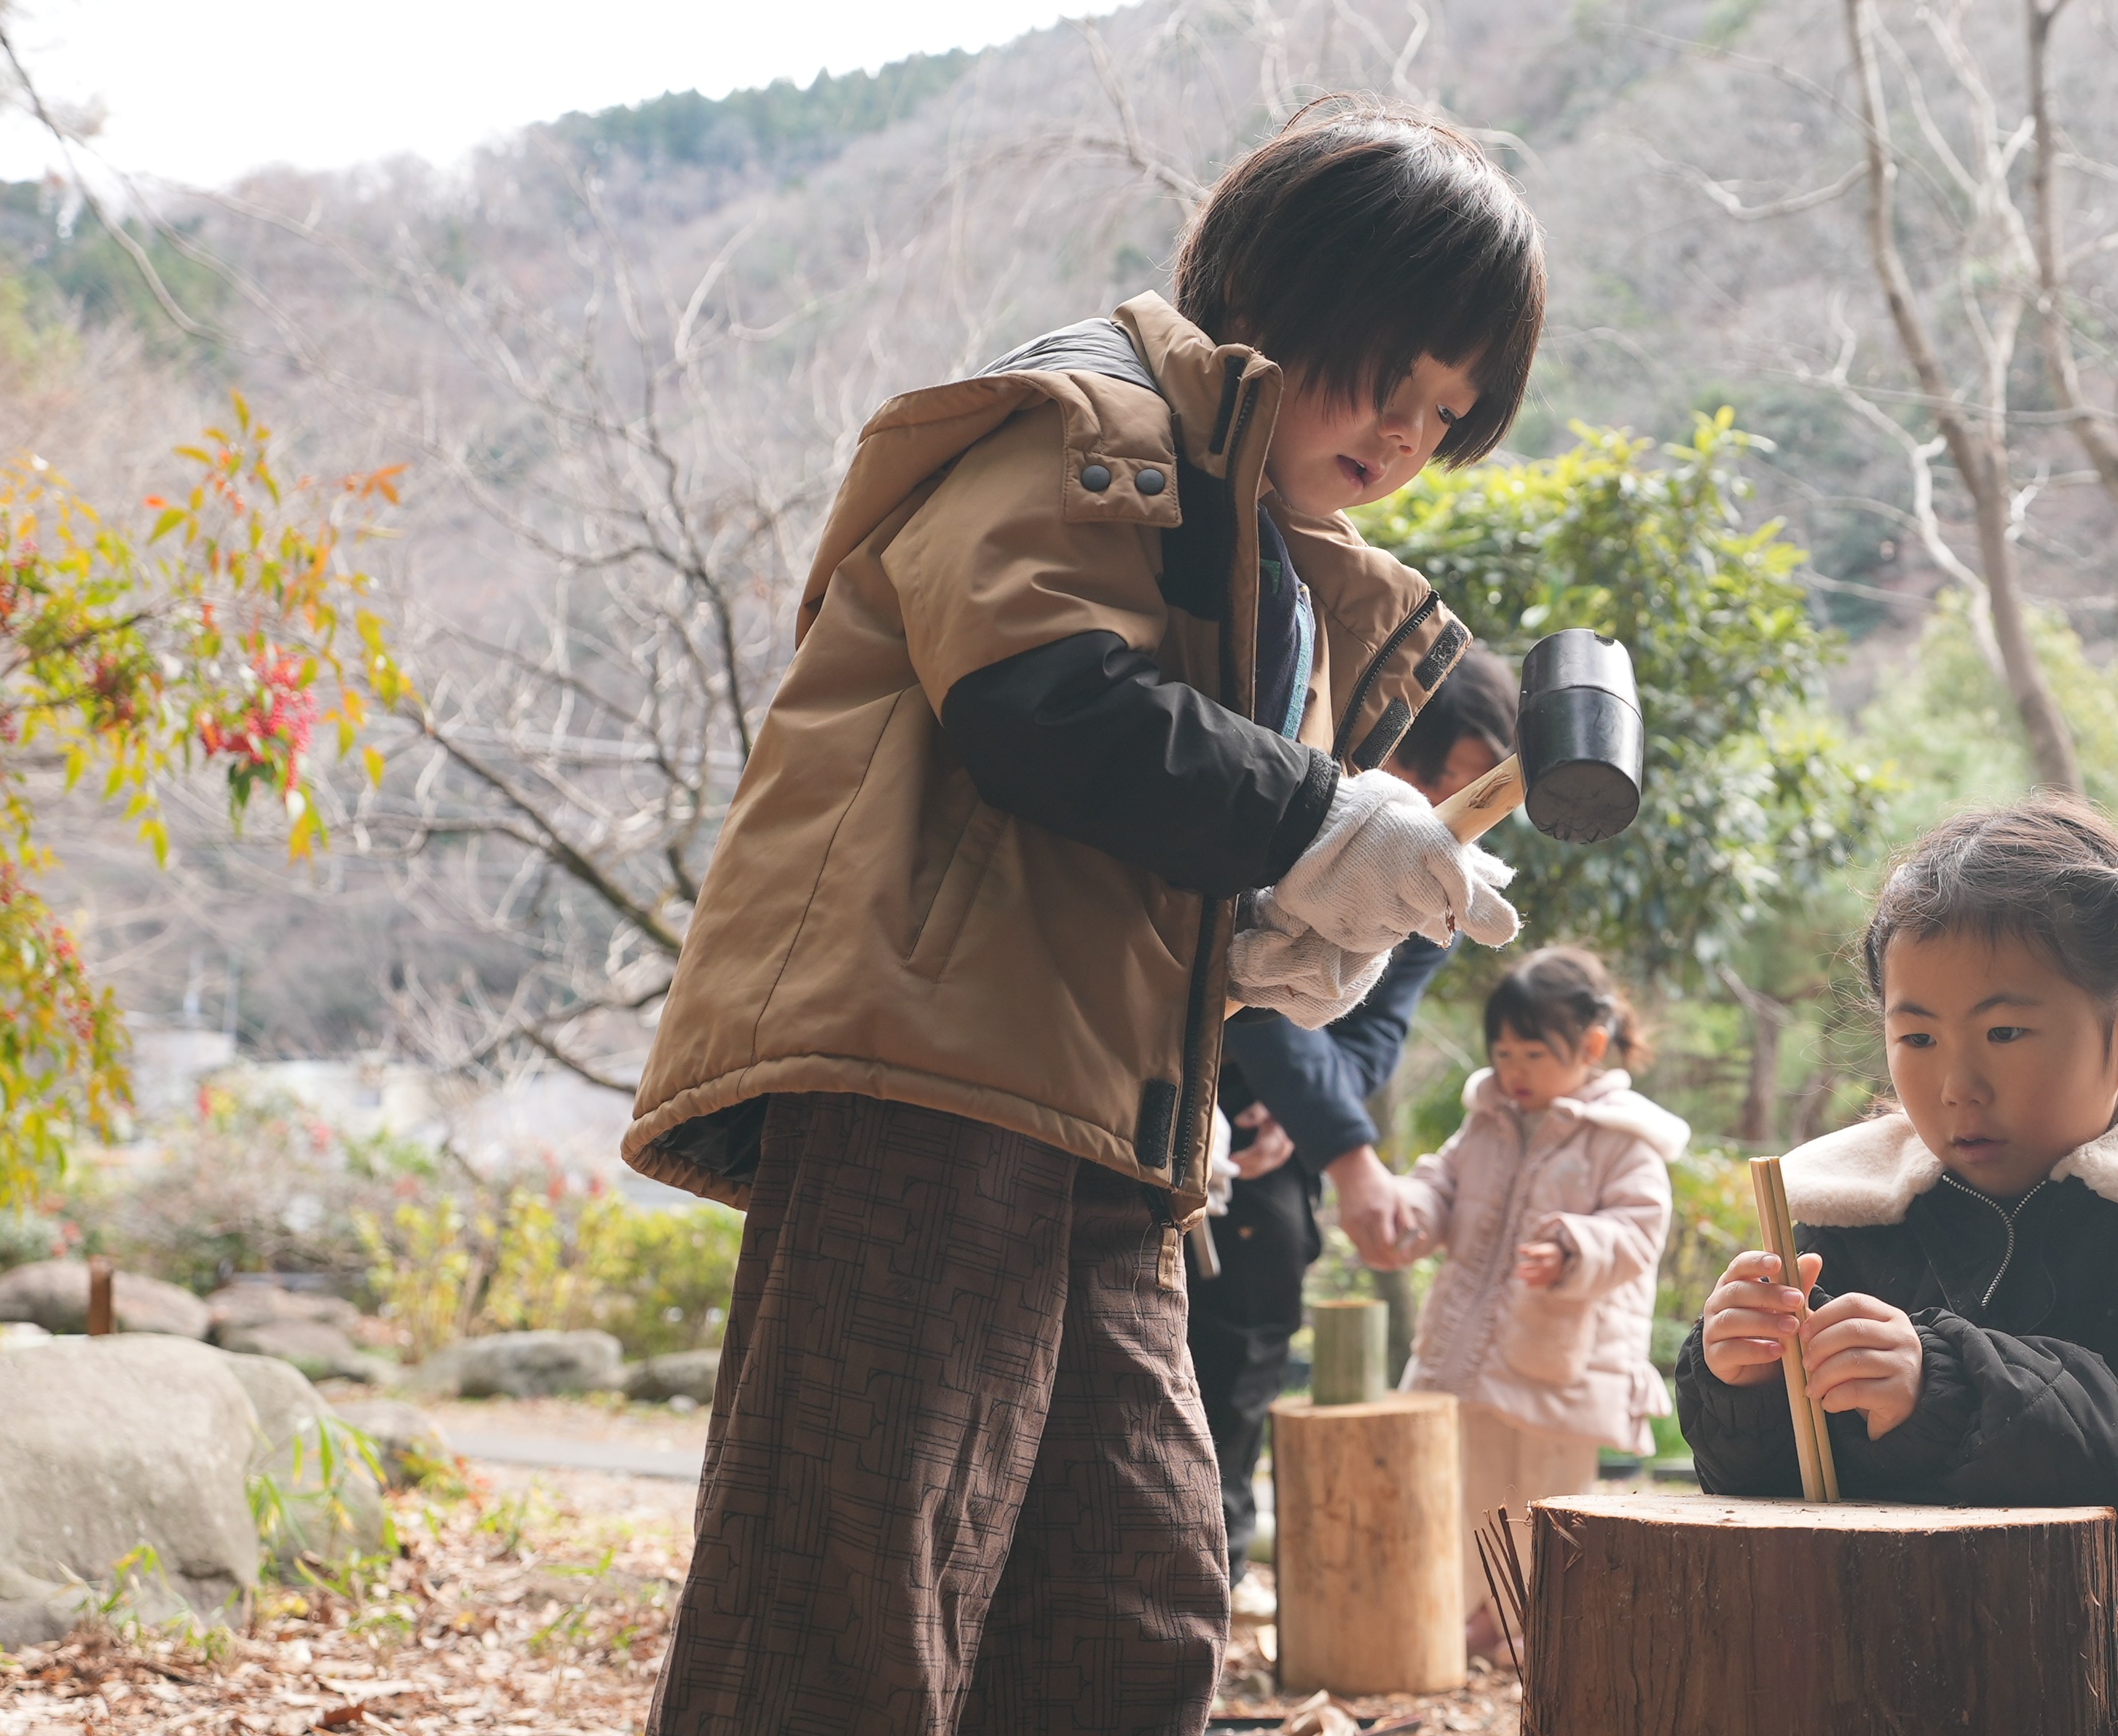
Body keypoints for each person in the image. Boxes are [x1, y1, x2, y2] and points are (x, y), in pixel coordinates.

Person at [621, 101, 1546, 1736]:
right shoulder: (1081, 425)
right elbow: (1040, 703)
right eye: (1385, 377)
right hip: (926, 1073)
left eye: (1446, 412)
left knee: (1129, 1600)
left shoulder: (1268, 554)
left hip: (1117, 1136)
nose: (1405, 436)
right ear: (1272, 296)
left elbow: (1141, 823)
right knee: (846, 1587)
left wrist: (1266, 930)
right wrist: (1312, 818)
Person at [1676, 799, 2118, 1735]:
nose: (1955, 1086)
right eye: (1916, 1038)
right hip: (1890, 1655)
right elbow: (1779, 1495)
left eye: (2005, 1033)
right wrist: (1738, 1380)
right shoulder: (1852, 1207)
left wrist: (1944, 1387)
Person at [1189, 647, 1519, 1586]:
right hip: (1168, 1084)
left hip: (1265, 1151)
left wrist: (1306, 1109)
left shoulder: (1441, 873)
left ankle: (1212, 1563)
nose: (1434, 810)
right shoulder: (1304, 792)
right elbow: (1252, 979)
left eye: (1469, 792)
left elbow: (1370, 1040)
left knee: (1248, 1328)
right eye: (1426, 777)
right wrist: (1348, 1152)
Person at [1382, 945, 1682, 1661]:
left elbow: (1639, 1230)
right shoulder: (1485, 1115)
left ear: (1591, 1046)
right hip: (1469, 1350)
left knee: (1542, 1497)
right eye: (1502, 1050)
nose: (1513, 1069)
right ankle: (1473, 1617)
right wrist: (1412, 1214)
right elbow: (1442, 1184)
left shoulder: (1621, 1138)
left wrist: (1576, 1247)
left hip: (1558, 1360)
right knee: (1468, 1487)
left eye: (1533, 1053)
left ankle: (1528, 1620)